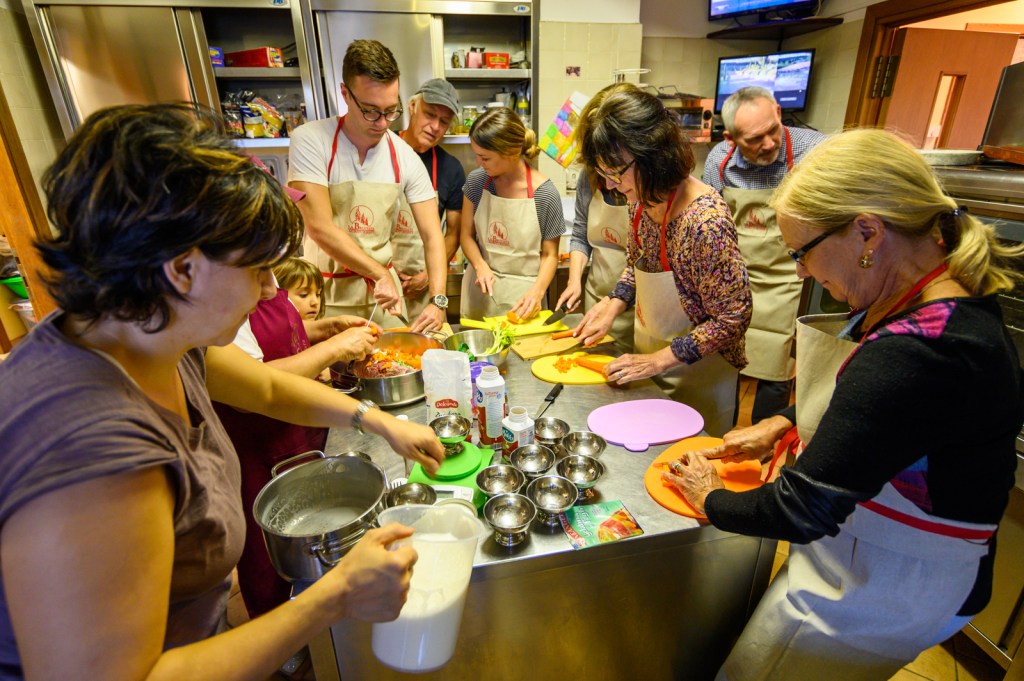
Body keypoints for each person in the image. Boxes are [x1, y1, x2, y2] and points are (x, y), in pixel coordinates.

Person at [0, 103, 444, 681]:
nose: (267, 291)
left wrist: (376, 419)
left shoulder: (146, 330)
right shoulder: (89, 451)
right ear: (182, 270)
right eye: (258, 270)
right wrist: (334, 596)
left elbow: (265, 388)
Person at [665, 128, 1024, 680]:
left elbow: (801, 509)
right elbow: (889, 419)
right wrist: (784, 422)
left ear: (867, 233)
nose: (802, 272)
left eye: (802, 252)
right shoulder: (921, 290)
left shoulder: (924, 350)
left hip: (890, 583)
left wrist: (710, 498)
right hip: (864, 552)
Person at [574, 89, 752, 437]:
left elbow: (734, 317)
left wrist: (659, 359)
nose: (610, 185)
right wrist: (614, 303)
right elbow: (638, 263)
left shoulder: (704, 223)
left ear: (653, 156)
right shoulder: (640, 196)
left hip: (699, 376)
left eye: (616, 173)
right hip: (652, 359)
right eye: (603, 173)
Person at [288, 39, 449, 331]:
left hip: (385, 302)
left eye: (391, 110)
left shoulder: (404, 156)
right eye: (371, 110)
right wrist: (378, 273)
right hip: (324, 298)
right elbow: (319, 227)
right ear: (345, 94)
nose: (383, 123)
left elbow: (432, 235)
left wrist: (438, 300)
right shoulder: (310, 140)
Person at [703, 86, 827, 423]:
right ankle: (719, 434)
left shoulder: (815, 152)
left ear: (778, 111)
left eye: (773, 130)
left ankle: (759, 447)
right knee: (724, 364)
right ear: (730, 138)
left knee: (775, 368)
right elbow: (710, 223)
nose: (769, 144)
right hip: (733, 280)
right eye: (755, 140)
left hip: (787, 280)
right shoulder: (719, 160)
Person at [459, 106, 564, 321]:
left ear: (511, 152)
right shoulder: (477, 182)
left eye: (485, 158)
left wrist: (538, 292)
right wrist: (480, 266)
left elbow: (550, 254)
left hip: (524, 298)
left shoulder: (545, 194)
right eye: (477, 156)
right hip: (480, 292)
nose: (478, 163)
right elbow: (466, 236)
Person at [555, 83, 637, 352]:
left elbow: (644, 260)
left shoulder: (645, 187)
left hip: (639, 311)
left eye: (615, 173)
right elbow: (580, 234)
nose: (610, 182)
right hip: (596, 297)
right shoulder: (589, 178)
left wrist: (616, 301)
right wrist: (574, 280)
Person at [395, 78, 466, 319]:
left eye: (444, 121)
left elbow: (453, 234)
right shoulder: (381, 149)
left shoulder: (451, 169)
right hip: (379, 285)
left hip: (427, 291)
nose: (435, 126)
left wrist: (427, 276)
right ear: (412, 106)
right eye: (429, 114)